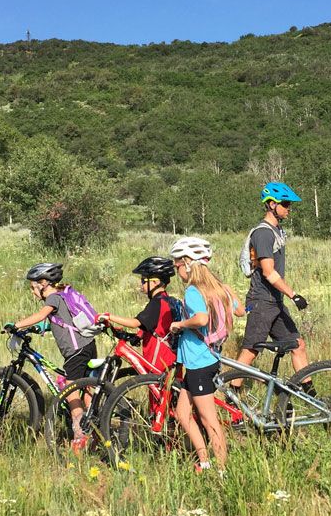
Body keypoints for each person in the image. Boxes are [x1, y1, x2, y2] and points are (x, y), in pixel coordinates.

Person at [167, 237, 240, 473]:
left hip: (200, 362)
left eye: (177, 265)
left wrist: (180, 324)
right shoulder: (219, 287)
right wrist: (228, 294)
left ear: (187, 263)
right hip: (203, 359)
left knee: (209, 420)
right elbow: (239, 310)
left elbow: (201, 319)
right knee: (182, 413)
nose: (176, 270)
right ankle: (204, 460)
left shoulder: (192, 291)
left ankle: (221, 471)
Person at [12, 263, 99, 455]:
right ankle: (93, 430)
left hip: (75, 351)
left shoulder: (52, 297)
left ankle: (80, 436)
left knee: (70, 391)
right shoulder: (63, 295)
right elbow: (62, 322)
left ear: (43, 283)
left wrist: (16, 325)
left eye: (33, 287)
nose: (33, 292)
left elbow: (41, 315)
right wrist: (40, 328)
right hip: (87, 346)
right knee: (86, 391)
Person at [233, 182, 311, 392]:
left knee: (297, 345)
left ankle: (312, 397)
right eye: (285, 204)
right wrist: (294, 295)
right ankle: (233, 394)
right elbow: (268, 271)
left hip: (275, 301)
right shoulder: (263, 233)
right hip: (261, 301)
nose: (289, 208)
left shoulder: (277, 230)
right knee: (251, 350)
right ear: (270, 204)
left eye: (289, 204)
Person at [95, 256, 179, 373]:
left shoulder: (157, 302)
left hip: (159, 359)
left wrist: (109, 316)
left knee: (158, 389)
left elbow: (135, 323)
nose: (141, 284)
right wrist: (137, 336)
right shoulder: (165, 299)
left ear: (156, 282)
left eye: (144, 281)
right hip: (167, 358)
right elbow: (153, 325)